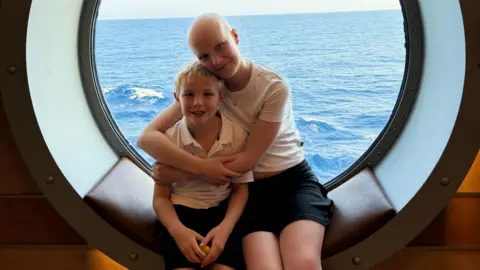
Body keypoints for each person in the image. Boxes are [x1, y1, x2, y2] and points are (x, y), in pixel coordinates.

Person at [137, 13, 334, 270]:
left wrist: (178, 172)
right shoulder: (207, 90)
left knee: (303, 263)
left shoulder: (273, 86)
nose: (216, 60)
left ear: (235, 37)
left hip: (292, 185)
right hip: (249, 194)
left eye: (220, 46)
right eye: (204, 56)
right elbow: (146, 138)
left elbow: (248, 160)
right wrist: (193, 170)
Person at [147, 60, 253, 270]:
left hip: (222, 214)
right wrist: (178, 232)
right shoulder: (169, 139)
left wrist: (224, 230)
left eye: (207, 94)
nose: (197, 102)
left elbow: (240, 190)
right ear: (177, 98)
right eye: (188, 94)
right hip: (180, 214)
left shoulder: (236, 135)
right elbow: (160, 198)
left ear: (221, 99)